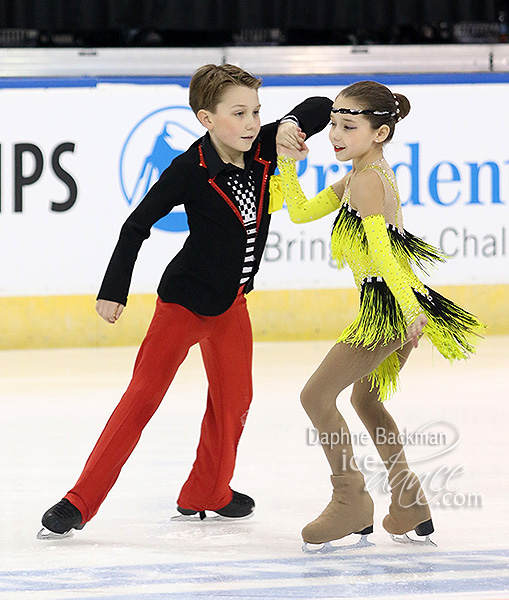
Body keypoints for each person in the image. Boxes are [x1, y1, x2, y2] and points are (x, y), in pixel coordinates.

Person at [38, 64, 332, 538]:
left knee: (235, 402)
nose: (253, 122)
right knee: (141, 399)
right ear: (206, 119)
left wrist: (294, 124)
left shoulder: (262, 147)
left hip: (232, 305)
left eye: (257, 111)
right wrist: (114, 289)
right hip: (182, 306)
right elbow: (135, 225)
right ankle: (79, 501)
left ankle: (208, 493)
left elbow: (321, 109)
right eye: (239, 113)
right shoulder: (187, 169)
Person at [271, 80, 484, 548]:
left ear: (380, 132)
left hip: (390, 307)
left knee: (315, 397)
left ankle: (350, 501)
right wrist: (287, 162)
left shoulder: (367, 181)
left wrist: (408, 311)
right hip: (398, 304)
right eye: (332, 125)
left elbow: (385, 252)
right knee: (365, 402)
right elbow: (300, 211)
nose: (335, 135)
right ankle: (409, 503)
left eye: (348, 126)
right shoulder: (359, 177)